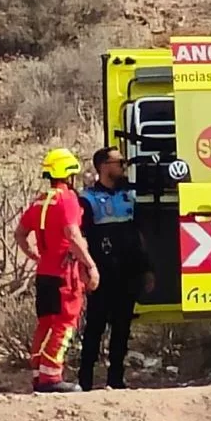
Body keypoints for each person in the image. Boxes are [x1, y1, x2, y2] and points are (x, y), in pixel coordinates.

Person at [15, 148, 101, 394]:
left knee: (45, 323)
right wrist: (90, 265)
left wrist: (33, 253)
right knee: (65, 322)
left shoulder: (40, 200)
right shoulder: (67, 199)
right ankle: (52, 376)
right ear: (68, 175)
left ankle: (39, 373)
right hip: (65, 273)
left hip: (44, 272)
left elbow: (20, 233)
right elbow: (73, 235)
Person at [77, 147, 153, 391]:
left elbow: (141, 236)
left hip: (128, 273)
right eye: (118, 162)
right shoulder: (87, 200)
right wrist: (85, 270)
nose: (123, 166)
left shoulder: (129, 196)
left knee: (122, 328)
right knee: (95, 328)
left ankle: (116, 380)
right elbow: (80, 238)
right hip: (102, 275)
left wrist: (147, 268)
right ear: (103, 166)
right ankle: (85, 381)